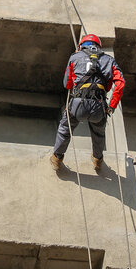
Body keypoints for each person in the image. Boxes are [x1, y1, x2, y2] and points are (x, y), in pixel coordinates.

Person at [51, 34, 125, 171]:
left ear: (81, 46)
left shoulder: (75, 57)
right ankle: (97, 159)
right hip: (99, 105)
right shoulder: (109, 60)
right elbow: (120, 84)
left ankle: (57, 157)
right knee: (99, 133)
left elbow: (66, 84)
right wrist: (112, 106)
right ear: (99, 46)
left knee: (65, 129)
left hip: (78, 104)